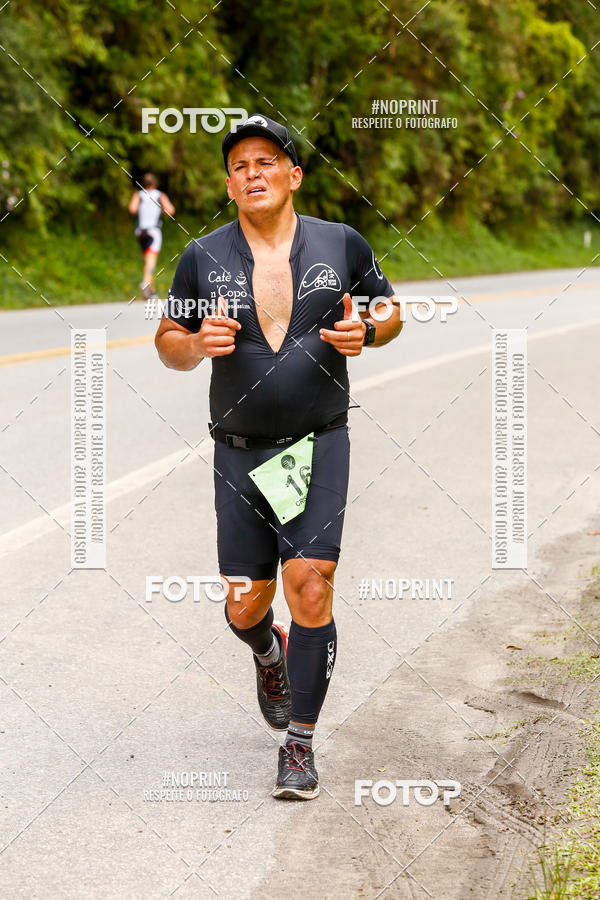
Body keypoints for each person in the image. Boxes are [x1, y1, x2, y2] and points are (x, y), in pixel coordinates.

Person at [154, 113, 403, 800]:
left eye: (266, 161)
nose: (252, 172)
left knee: (311, 582)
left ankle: (299, 744)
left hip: (316, 443)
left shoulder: (340, 243)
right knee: (245, 604)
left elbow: (389, 309)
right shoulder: (202, 256)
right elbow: (167, 338)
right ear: (229, 185)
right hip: (238, 452)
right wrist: (194, 343)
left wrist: (369, 331)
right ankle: (268, 651)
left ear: (294, 175)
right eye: (239, 166)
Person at [128, 172, 175, 299]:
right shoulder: (159, 195)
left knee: (147, 261)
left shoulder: (139, 195)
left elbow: (132, 209)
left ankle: (151, 291)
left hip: (141, 232)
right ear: (155, 183)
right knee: (151, 261)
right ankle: (145, 283)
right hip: (153, 232)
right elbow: (171, 210)